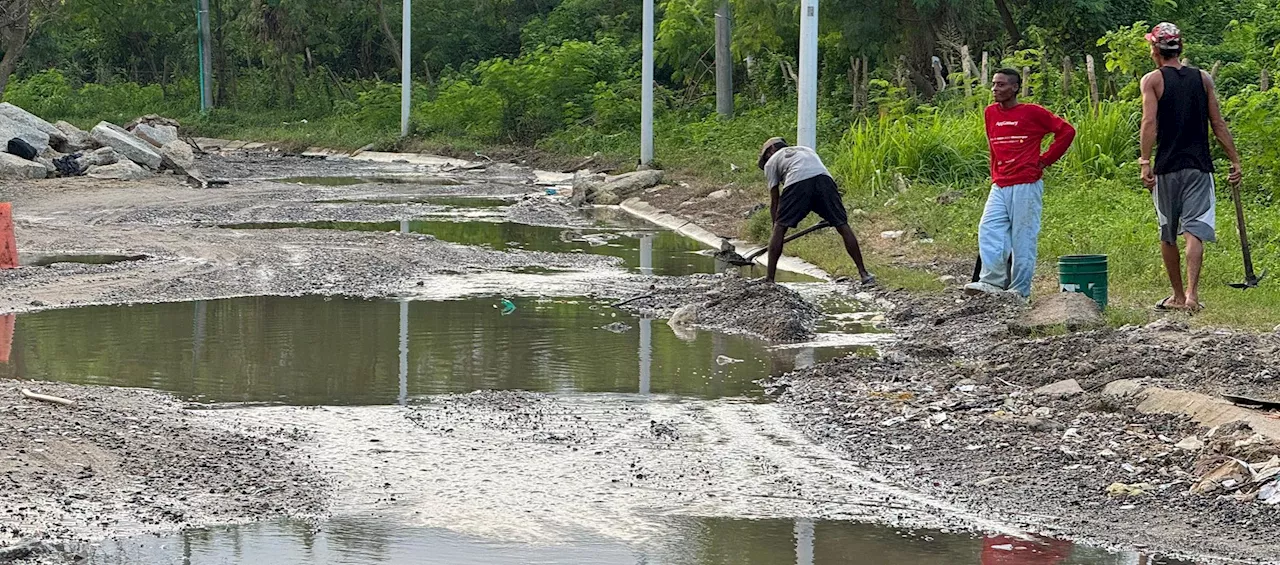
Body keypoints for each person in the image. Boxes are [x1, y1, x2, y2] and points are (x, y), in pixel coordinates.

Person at [1140, 22, 1243, 311]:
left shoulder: (1153, 81)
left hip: (1166, 167)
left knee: (1168, 230)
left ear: (1155, 50)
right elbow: (1218, 123)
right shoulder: (1203, 79)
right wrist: (1234, 159)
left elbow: (1149, 123)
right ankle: (1192, 295)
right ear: (1179, 48)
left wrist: (1145, 161)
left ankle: (1176, 296)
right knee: (1194, 230)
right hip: (1199, 167)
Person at [964, 69, 1076, 299]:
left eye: (1002, 85)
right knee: (989, 229)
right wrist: (994, 173)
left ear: (1015, 87)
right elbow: (993, 146)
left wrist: (1045, 160)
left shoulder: (1032, 112)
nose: (995, 89)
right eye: (994, 85)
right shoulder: (990, 113)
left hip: (1026, 182)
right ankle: (991, 282)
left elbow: (1066, 131)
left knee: (1022, 238)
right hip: (1000, 183)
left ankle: (1019, 290)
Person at [757, 137, 874, 285]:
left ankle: (770, 279)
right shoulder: (806, 150)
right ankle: (864, 274)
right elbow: (815, 175)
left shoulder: (772, 162)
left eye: (766, 155)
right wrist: (829, 212)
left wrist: (776, 227)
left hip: (797, 184)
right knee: (842, 225)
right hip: (825, 182)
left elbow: (775, 199)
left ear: (772, 150)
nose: (767, 159)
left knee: (780, 228)